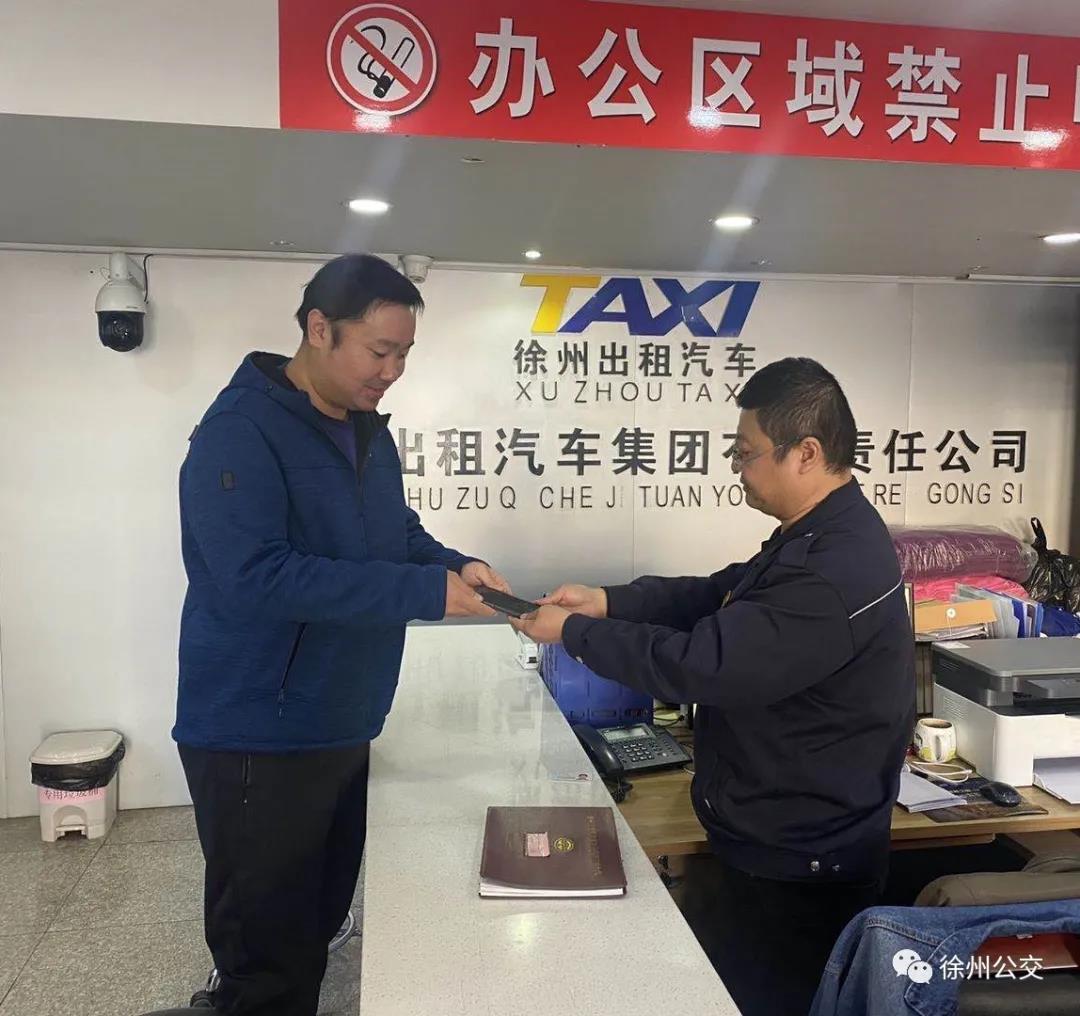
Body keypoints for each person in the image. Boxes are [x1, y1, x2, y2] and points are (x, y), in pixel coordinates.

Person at [513, 357, 915, 1016]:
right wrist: (608, 602)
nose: (736, 466)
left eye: (746, 453)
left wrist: (575, 634)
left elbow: (705, 664)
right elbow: (719, 594)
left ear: (806, 453)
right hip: (778, 840)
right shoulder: (819, 536)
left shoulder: (830, 571)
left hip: (801, 862)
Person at [174, 254, 507, 1015]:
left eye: (404, 355)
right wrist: (423, 591)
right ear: (319, 329)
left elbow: (394, 536)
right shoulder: (239, 432)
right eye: (379, 351)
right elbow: (256, 576)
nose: (392, 372)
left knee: (317, 922)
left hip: (343, 718)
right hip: (259, 730)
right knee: (266, 952)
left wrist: (455, 566)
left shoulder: (365, 432)